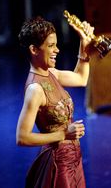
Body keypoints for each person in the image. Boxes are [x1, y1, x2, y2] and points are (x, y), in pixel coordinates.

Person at [16, 16, 94, 188]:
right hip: (58, 165)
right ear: (34, 50)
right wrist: (64, 134)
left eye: (56, 44)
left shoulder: (52, 73)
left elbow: (81, 78)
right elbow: (22, 137)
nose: (57, 50)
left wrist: (84, 42)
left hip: (74, 160)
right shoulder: (35, 89)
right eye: (50, 46)